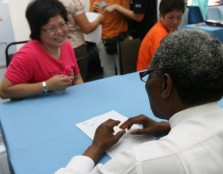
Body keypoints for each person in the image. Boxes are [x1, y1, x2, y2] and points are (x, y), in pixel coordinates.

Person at [55, 29, 223, 173]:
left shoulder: (141, 163)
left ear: (165, 85)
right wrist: (166, 126)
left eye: (149, 74)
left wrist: (96, 147)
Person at [0, 0, 83, 100]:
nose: (60, 32)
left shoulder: (66, 45)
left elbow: (77, 78)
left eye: (62, 24)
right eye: (51, 28)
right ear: (37, 30)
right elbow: (4, 91)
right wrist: (46, 85)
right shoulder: (27, 55)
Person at [59, 0, 104, 81]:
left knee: (64, 79)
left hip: (58, 46)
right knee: (78, 78)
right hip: (76, 46)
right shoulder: (73, 3)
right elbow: (87, 28)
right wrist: (99, 19)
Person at [137, 0, 185, 71]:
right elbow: (164, 62)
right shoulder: (159, 34)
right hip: (148, 75)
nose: (175, 22)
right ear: (161, 16)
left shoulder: (169, 29)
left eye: (179, 17)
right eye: (171, 17)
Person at [90, 0, 129, 77]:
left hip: (120, 38)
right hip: (102, 38)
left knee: (123, 72)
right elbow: (92, 18)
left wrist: (116, 8)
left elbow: (129, 14)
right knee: (107, 72)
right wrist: (94, 9)